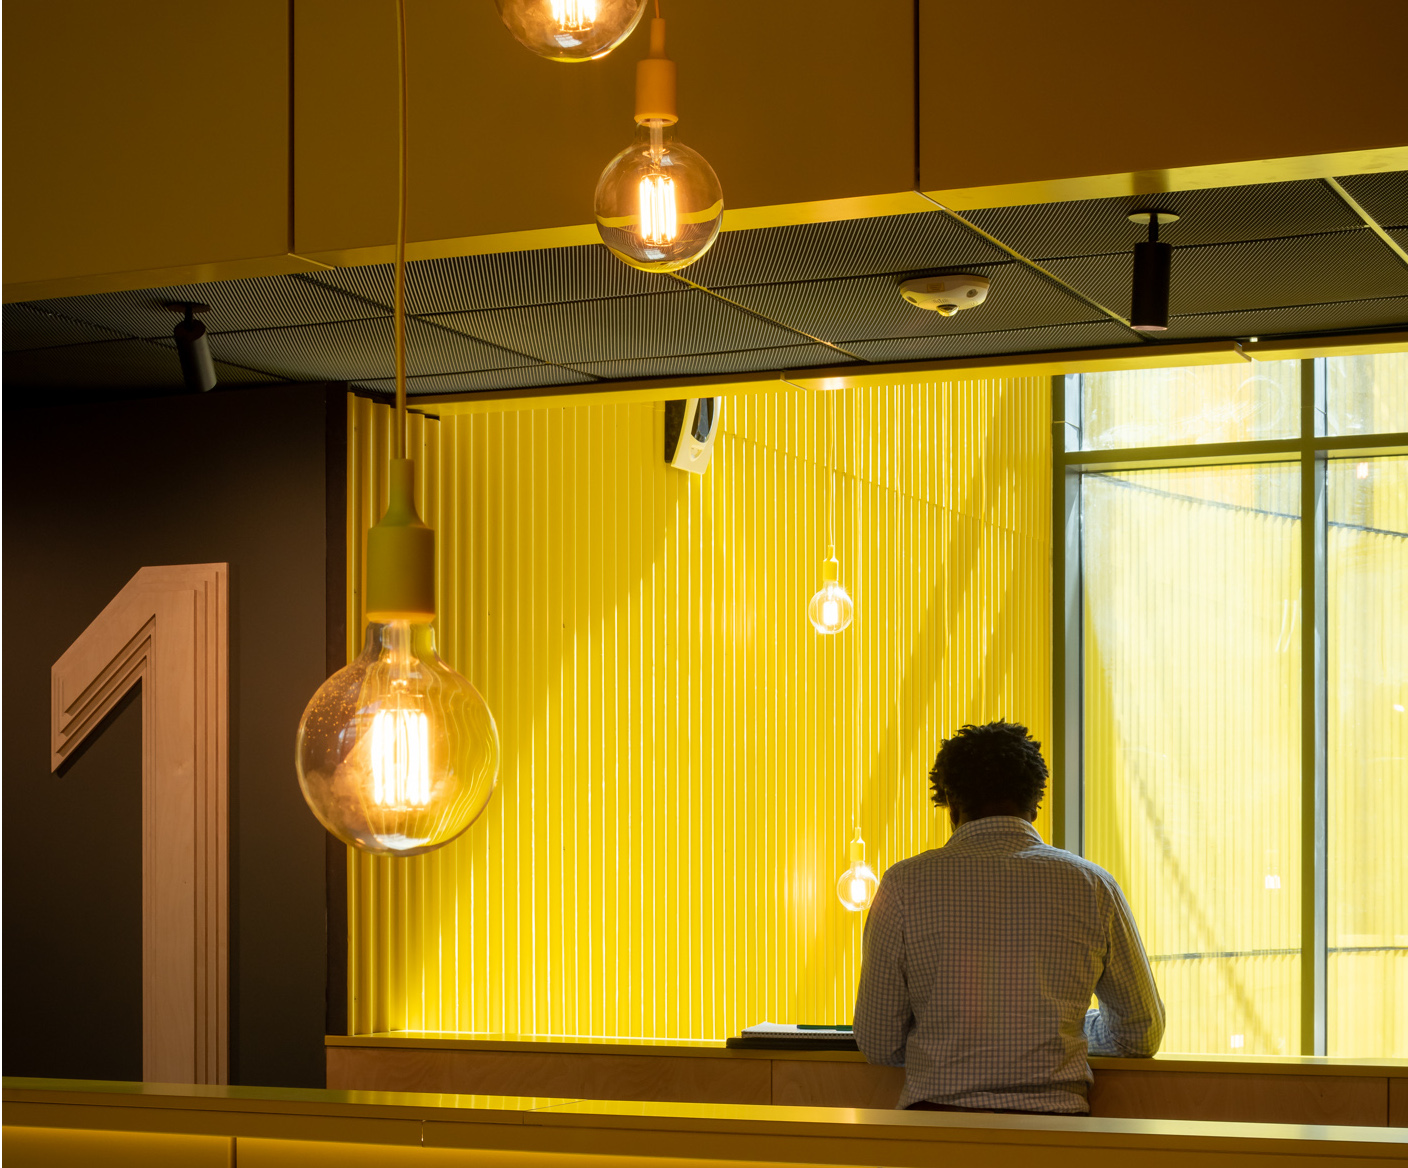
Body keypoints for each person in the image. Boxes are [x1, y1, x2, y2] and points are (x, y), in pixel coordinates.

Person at [853, 720, 1164, 1115]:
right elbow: (1140, 1034)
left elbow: (878, 1042)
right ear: (1035, 802)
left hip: (936, 1130)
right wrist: (1065, 1026)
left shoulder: (903, 885)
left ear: (951, 802)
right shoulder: (1093, 885)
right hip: (1058, 1133)